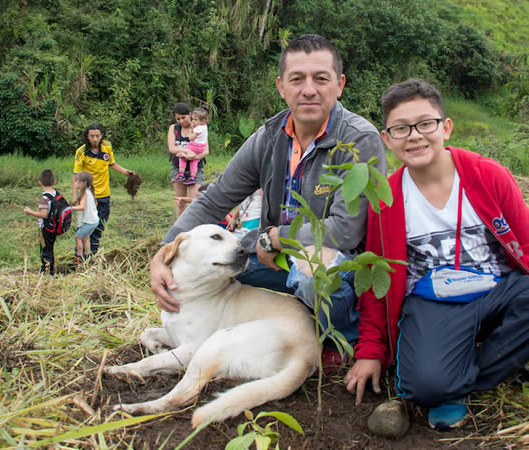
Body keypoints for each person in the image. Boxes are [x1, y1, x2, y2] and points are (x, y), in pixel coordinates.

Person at [344, 78, 529, 433]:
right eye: (400, 128)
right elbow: (375, 279)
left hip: (498, 290)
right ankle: (472, 374)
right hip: (434, 302)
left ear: (446, 127)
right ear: (387, 139)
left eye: (425, 124)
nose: (414, 136)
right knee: (424, 386)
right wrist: (370, 350)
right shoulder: (387, 197)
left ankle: (460, 378)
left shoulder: (488, 175)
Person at [150, 34, 387, 366]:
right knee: (210, 262)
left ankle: (344, 338)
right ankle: (208, 332)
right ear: (281, 86)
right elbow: (214, 199)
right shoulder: (269, 136)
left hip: (334, 263)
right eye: (297, 79)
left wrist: (277, 237)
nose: (309, 89)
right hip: (272, 255)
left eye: (321, 78)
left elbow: (344, 231)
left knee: (310, 270)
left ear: (340, 84)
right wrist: (163, 253)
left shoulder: (358, 140)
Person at [73, 124, 135, 254]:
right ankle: (79, 255)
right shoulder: (81, 152)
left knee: (100, 225)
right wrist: (75, 195)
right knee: (86, 226)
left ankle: (92, 253)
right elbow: (76, 175)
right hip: (88, 194)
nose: (95, 139)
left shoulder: (107, 147)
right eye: (92, 136)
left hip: (104, 193)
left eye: (97, 136)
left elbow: (111, 164)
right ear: (87, 137)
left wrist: (126, 172)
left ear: (101, 136)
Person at [167, 103, 208, 218]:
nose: (181, 121)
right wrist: (187, 151)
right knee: (180, 202)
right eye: (178, 118)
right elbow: (172, 148)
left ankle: (195, 231)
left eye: (183, 117)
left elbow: (206, 151)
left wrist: (193, 156)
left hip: (196, 169)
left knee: (196, 203)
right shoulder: (173, 128)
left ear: (189, 115)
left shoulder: (199, 128)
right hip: (178, 168)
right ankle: (178, 230)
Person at [23, 169, 58, 275]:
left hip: (45, 228)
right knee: (50, 248)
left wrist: (30, 212)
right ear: (54, 181)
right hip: (54, 226)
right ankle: (51, 269)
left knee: (45, 250)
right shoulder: (56, 194)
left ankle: (47, 273)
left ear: (40, 182)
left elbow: (43, 214)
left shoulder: (44, 198)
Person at [173, 107, 209, 185]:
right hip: (201, 148)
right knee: (194, 162)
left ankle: (181, 174)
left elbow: (192, 138)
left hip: (195, 146)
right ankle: (192, 177)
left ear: (202, 121)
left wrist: (190, 134)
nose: (193, 121)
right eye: (193, 119)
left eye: (195, 120)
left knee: (182, 155)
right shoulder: (205, 127)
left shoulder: (198, 128)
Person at [70, 171, 98, 263]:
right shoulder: (89, 192)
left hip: (89, 222)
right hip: (94, 221)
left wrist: (70, 208)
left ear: (82, 183)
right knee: (85, 237)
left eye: (76, 181)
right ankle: (88, 256)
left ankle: (79, 257)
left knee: (77, 237)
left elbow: (82, 207)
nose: (74, 183)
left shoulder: (85, 193)